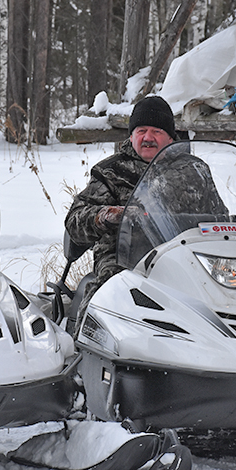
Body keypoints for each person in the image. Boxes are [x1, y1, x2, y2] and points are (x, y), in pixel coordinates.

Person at [64, 96, 178, 331]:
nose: (148, 138)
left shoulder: (190, 170)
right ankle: (84, 347)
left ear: (170, 137)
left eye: (156, 131)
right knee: (106, 296)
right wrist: (105, 216)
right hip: (123, 261)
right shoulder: (111, 171)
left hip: (181, 258)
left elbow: (216, 216)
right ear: (131, 135)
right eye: (141, 131)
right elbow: (74, 221)